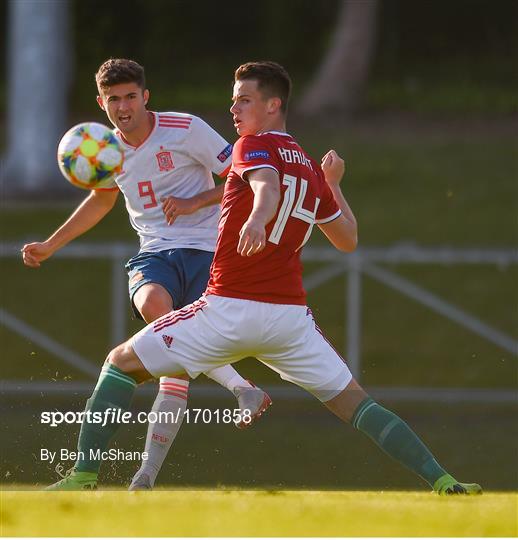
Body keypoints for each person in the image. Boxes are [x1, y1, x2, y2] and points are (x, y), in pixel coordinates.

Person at [46, 61, 482, 495]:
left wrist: (256, 218)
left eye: (244, 100)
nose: (233, 108)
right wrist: (334, 185)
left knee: (119, 364)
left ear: (273, 105)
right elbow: (347, 238)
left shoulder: (250, 146)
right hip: (290, 323)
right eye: (234, 99)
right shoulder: (312, 169)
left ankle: (84, 476)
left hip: (227, 310)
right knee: (358, 404)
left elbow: (266, 185)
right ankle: (443, 481)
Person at [22, 58, 271, 491]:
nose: (123, 107)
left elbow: (242, 173)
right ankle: (241, 387)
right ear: (101, 103)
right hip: (154, 253)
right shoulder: (105, 149)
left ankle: (144, 477)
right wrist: (51, 244)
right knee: (156, 307)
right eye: (114, 99)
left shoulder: (185, 128)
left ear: (145, 96)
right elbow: (101, 200)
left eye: (130, 97)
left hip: (209, 252)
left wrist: (196, 202)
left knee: (173, 364)